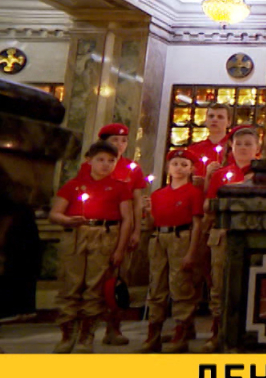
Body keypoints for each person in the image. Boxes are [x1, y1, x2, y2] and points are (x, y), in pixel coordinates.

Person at [47, 141, 134, 352]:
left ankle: (87, 334)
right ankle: (67, 333)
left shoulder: (120, 187)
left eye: (111, 161)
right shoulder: (74, 185)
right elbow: (55, 213)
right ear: (89, 161)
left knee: (95, 285)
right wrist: (67, 220)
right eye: (100, 160)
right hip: (77, 235)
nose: (105, 165)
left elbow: (127, 219)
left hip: (105, 236)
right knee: (71, 283)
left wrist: (120, 249)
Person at [186, 125, 260, 352]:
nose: (243, 148)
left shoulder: (262, 175)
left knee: (250, 282)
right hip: (223, 233)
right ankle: (217, 332)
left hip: (251, 233)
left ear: (257, 148)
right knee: (219, 283)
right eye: (239, 144)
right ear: (231, 147)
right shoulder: (221, 175)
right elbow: (208, 206)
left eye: (248, 144)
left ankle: (246, 333)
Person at [91, 122, 148, 344]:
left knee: (118, 279)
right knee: (92, 280)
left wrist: (136, 230)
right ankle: (85, 328)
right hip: (96, 229)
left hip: (122, 229)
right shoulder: (93, 165)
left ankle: (113, 328)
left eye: (124, 141)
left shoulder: (132, 168)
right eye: (115, 140)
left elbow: (137, 202)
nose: (120, 144)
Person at [142, 149, 204, 353]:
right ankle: (153, 334)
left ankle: (181, 332)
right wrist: (147, 212)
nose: (179, 168)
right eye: (175, 164)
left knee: (181, 285)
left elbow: (197, 224)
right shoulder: (158, 194)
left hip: (181, 238)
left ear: (191, 169)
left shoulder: (193, 193)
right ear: (168, 168)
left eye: (184, 165)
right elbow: (151, 224)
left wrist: (192, 252)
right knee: (156, 285)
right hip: (159, 239)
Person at [186, 102, 233, 186]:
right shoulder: (194, 149)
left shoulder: (234, 148)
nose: (215, 120)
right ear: (206, 120)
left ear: (229, 122)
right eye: (211, 116)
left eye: (220, 117)